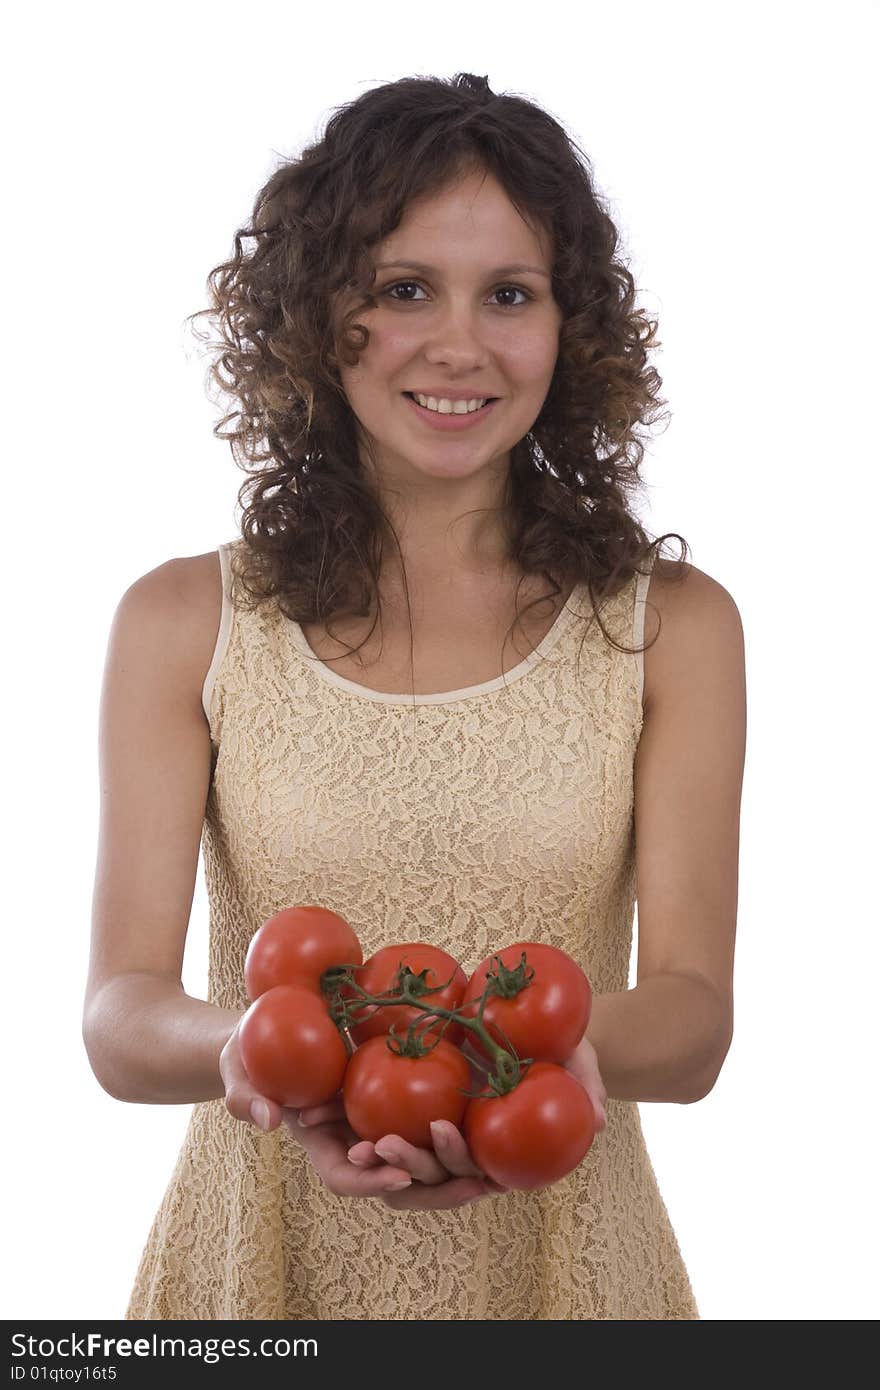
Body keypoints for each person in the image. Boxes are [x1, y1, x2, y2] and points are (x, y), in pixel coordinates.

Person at [83, 72, 746, 1321]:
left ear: (571, 325)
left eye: (510, 293)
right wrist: (252, 1055)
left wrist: (492, 1079)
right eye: (402, 290)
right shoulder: (182, 621)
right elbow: (120, 1014)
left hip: (571, 1259)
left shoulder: (673, 629)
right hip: (256, 1266)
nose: (459, 346)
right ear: (313, 317)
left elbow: (695, 1020)